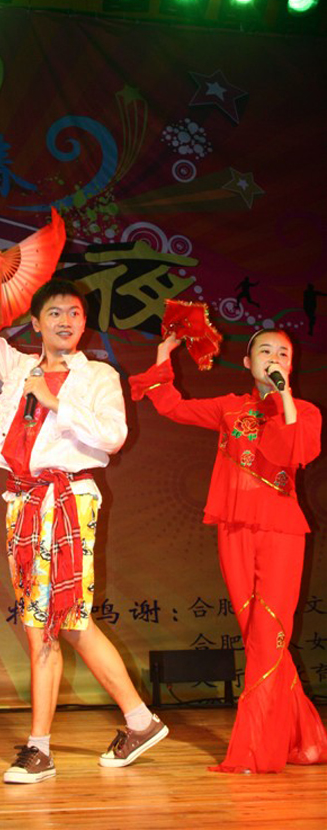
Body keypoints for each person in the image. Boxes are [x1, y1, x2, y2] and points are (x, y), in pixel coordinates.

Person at [0, 251, 168, 784]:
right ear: (37, 323)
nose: (65, 320)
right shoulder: (18, 367)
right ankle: (139, 721)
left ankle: (40, 749)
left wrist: (53, 402)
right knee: (64, 622)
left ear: (84, 324)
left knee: (46, 624)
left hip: (69, 499)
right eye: (55, 313)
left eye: (74, 313)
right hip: (24, 503)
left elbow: (113, 437)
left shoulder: (98, 376)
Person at [129, 327, 327, 773]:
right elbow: (173, 406)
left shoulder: (306, 412)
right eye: (265, 351)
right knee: (257, 637)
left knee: (269, 635)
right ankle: (305, 738)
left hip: (281, 532)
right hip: (234, 529)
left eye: (283, 353)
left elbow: (294, 451)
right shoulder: (229, 407)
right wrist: (163, 354)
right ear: (247, 362)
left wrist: (284, 396)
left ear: (291, 364)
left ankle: (256, 750)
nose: (274, 358)